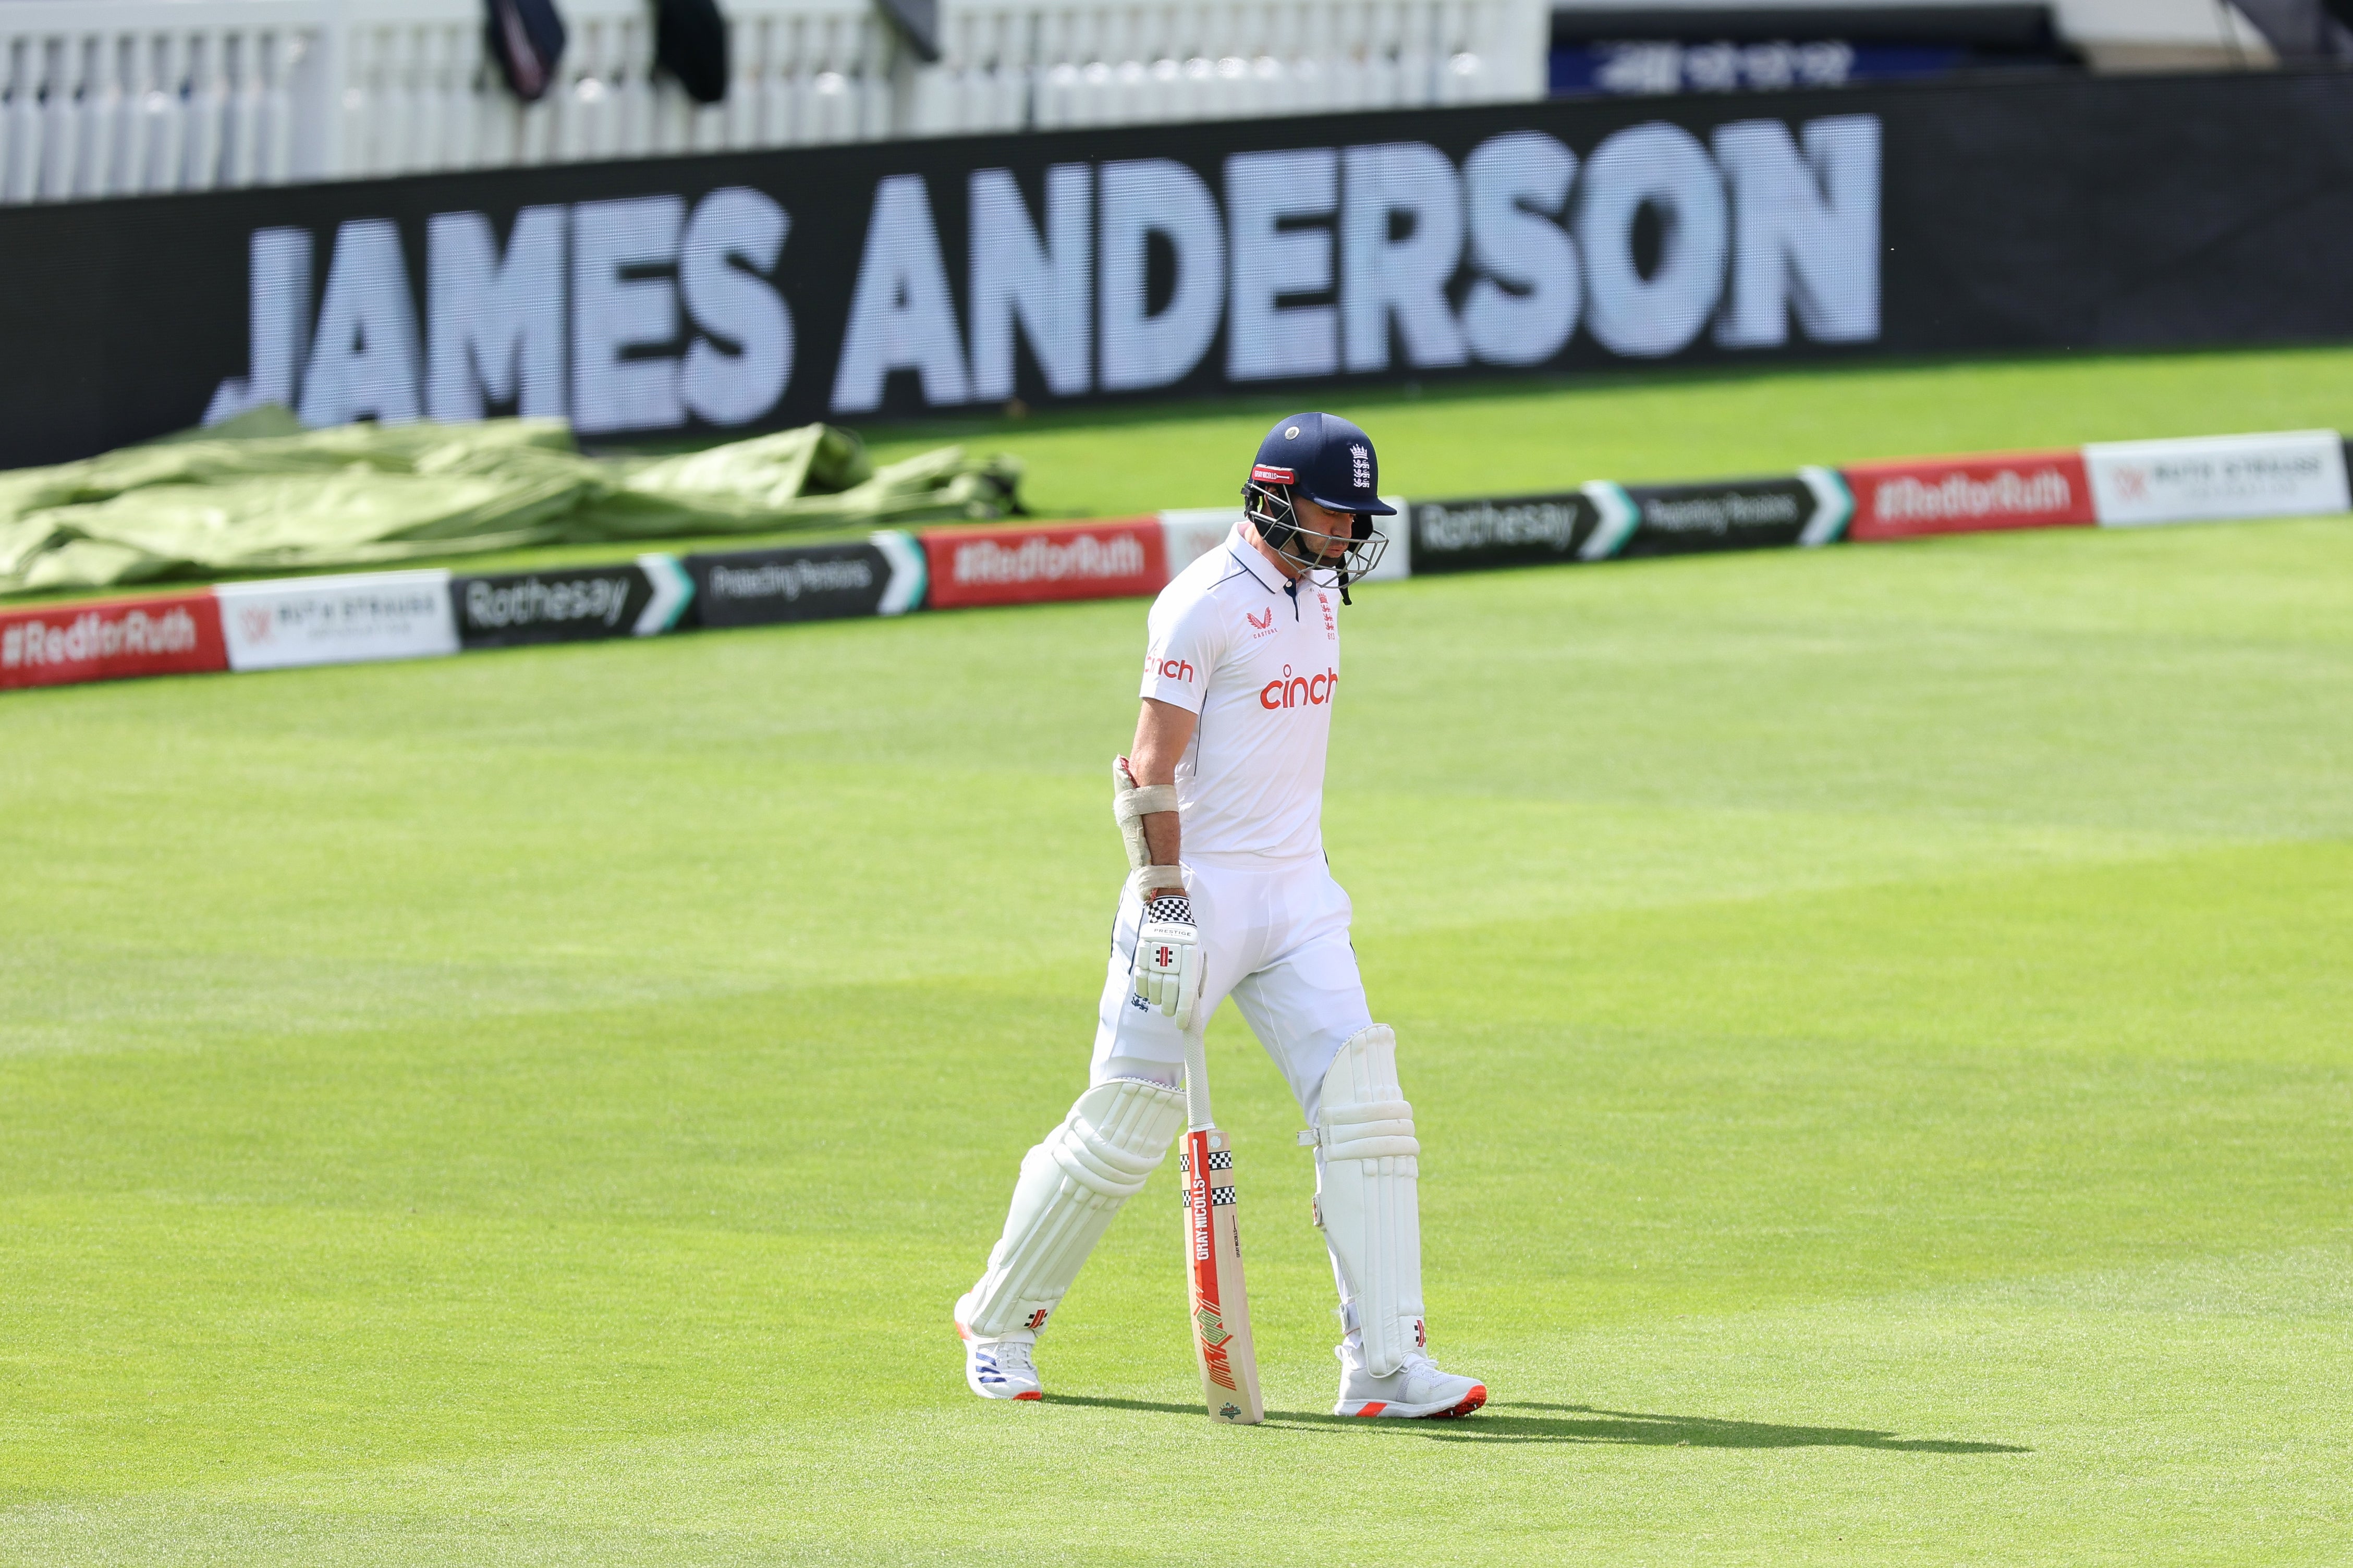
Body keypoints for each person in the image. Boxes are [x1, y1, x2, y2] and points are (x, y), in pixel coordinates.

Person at [952, 411, 1487, 1420]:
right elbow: (1147, 770)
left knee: (1365, 1110)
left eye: (1356, 518)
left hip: (1298, 897)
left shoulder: (1321, 589)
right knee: (1123, 1125)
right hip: (1195, 897)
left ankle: (1381, 1364)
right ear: (1278, 499)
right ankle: (996, 1321)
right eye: (1335, 513)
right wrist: (1162, 901)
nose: (1347, 535)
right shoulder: (1198, 603)